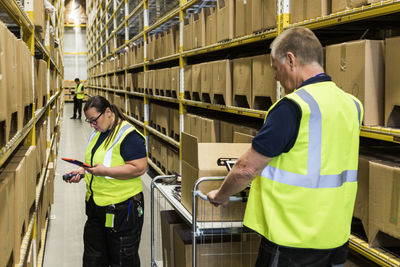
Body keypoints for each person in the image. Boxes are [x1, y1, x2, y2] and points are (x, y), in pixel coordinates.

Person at [207, 27, 363, 266]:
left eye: (275, 68)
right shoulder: (353, 105)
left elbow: (246, 169)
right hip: (336, 239)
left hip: (293, 242)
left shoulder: (293, 107)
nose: (276, 77)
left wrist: (221, 195)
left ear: (291, 59)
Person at [65, 95, 147, 266]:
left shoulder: (128, 135)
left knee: (122, 259)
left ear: (108, 112)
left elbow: (139, 168)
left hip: (122, 209)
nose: (92, 125)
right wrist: (82, 171)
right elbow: (97, 163)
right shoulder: (97, 133)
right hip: (96, 208)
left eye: (94, 120)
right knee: (93, 259)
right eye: (89, 121)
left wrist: (105, 171)